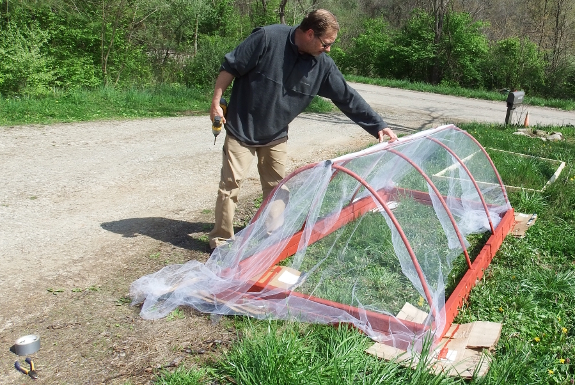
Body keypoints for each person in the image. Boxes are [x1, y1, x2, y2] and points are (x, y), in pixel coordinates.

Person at [208, 9, 398, 249]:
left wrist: (378, 126)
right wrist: (216, 100)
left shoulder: (322, 66)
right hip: (241, 128)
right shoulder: (267, 38)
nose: (328, 49)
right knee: (230, 185)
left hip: (275, 135)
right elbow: (231, 66)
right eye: (326, 43)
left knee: (278, 188)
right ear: (310, 34)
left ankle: (273, 239)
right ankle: (222, 240)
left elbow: (348, 98)